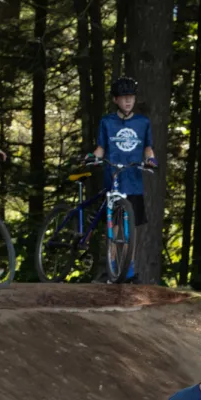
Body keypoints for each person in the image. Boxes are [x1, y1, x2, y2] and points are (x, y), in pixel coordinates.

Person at [90, 75, 156, 279]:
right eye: (123, 97)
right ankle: (110, 267)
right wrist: (92, 159)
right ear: (115, 100)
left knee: (131, 230)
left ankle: (128, 271)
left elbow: (148, 148)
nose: (128, 101)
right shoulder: (107, 122)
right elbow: (101, 148)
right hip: (114, 180)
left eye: (131, 97)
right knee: (113, 228)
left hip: (134, 182)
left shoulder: (142, 122)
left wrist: (151, 160)